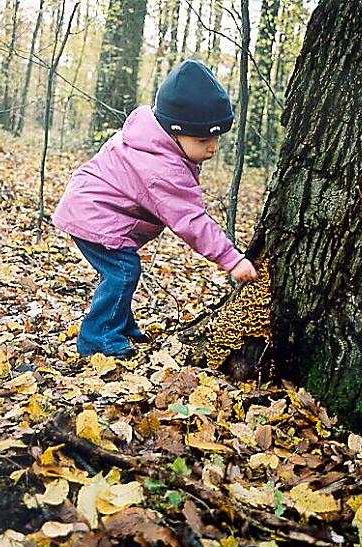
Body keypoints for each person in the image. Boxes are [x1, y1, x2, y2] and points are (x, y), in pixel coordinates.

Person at [52, 60, 258, 359]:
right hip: (96, 214)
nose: (213, 148)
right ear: (174, 133)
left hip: (91, 206)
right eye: (203, 140)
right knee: (123, 272)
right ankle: (99, 340)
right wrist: (231, 259)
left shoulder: (150, 138)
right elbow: (190, 219)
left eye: (217, 139)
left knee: (122, 271)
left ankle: (119, 325)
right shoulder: (162, 168)